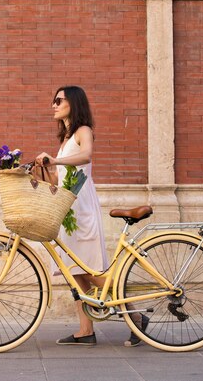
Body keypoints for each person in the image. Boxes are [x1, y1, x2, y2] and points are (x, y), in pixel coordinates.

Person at [36, 85, 146, 347]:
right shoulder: (64, 139)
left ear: (73, 103)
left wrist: (55, 160)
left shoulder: (83, 131)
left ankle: (137, 317)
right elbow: (58, 177)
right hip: (67, 207)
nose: (54, 104)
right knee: (73, 270)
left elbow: (86, 156)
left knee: (92, 271)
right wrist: (41, 172)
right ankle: (86, 330)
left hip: (82, 206)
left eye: (59, 100)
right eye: (54, 100)